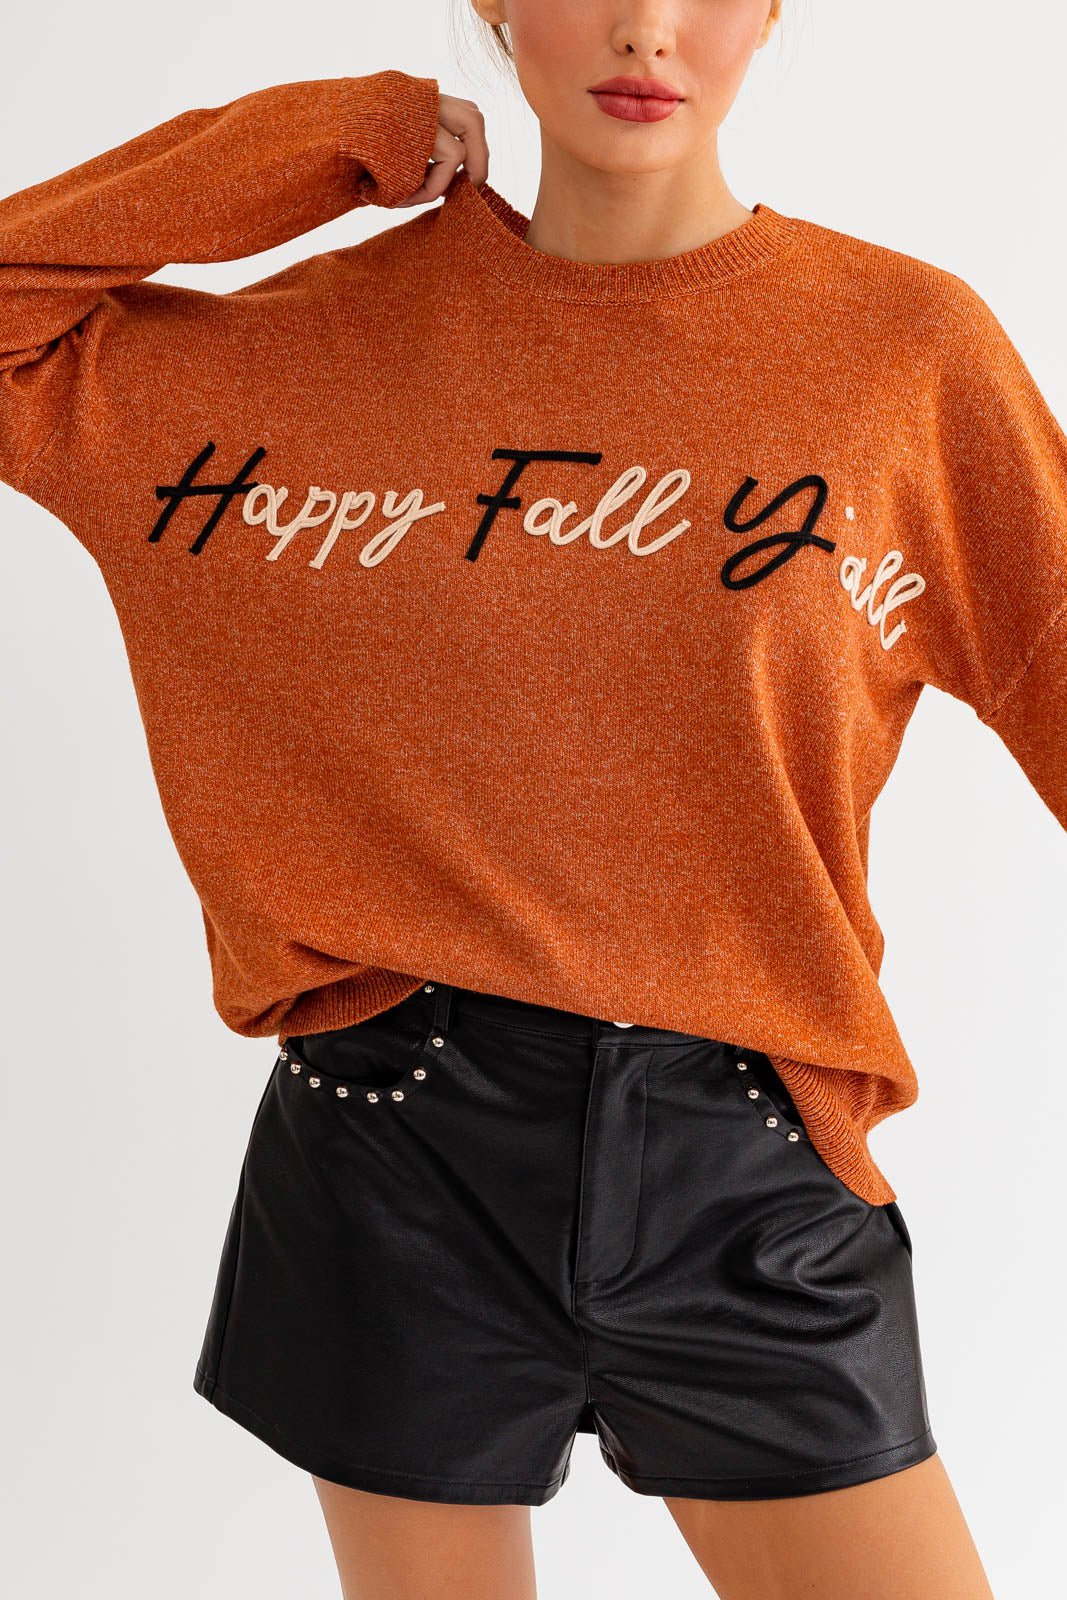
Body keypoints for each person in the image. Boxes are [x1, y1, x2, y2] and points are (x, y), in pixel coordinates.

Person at [2, 0, 1064, 1594]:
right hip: (392, 1149)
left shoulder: (902, 358)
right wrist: (333, 139)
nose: (648, 30)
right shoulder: (287, 362)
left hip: (747, 1168)